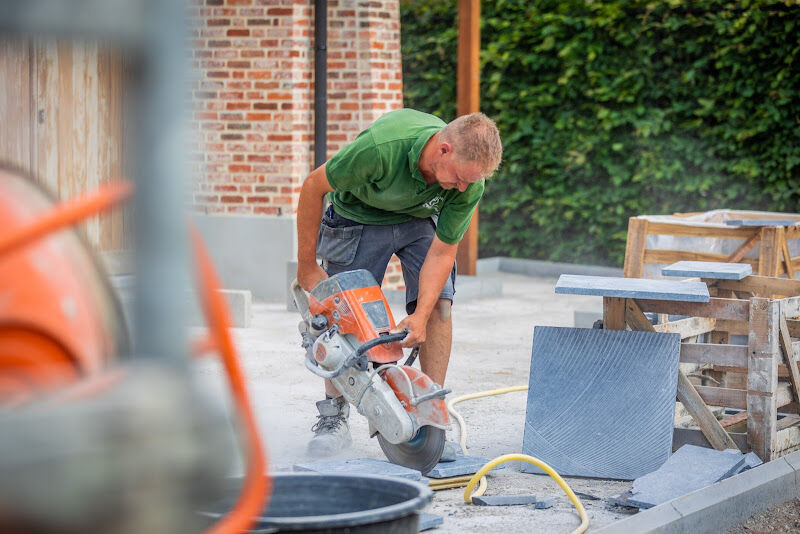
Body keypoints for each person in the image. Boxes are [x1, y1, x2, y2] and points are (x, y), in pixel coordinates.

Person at [296, 108, 502, 455]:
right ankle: (333, 417)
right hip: (357, 215)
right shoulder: (381, 148)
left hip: (417, 217)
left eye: (472, 181)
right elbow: (313, 186)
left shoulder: (470, 181)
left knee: (439, 304)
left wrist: (420, 315)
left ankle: (430, 418)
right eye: (460, 178)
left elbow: (441, 253)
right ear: (443, 150)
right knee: (341, 310)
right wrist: (306, 265)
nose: (464, 187)